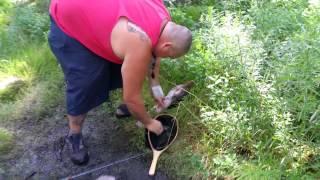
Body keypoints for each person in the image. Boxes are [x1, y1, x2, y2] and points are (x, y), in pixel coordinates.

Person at [48, 0, 192, 165]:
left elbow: (155, 50)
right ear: (167, 45)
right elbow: (133, 96)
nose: (166, 58)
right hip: (69, 21)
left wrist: (155, 84)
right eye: (169, 56)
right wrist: (149, 123)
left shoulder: (164, 17)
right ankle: (74, 134)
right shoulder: (138, 41)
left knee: (127, 64)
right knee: (85, 82)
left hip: (99, 17)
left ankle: (126, 110)